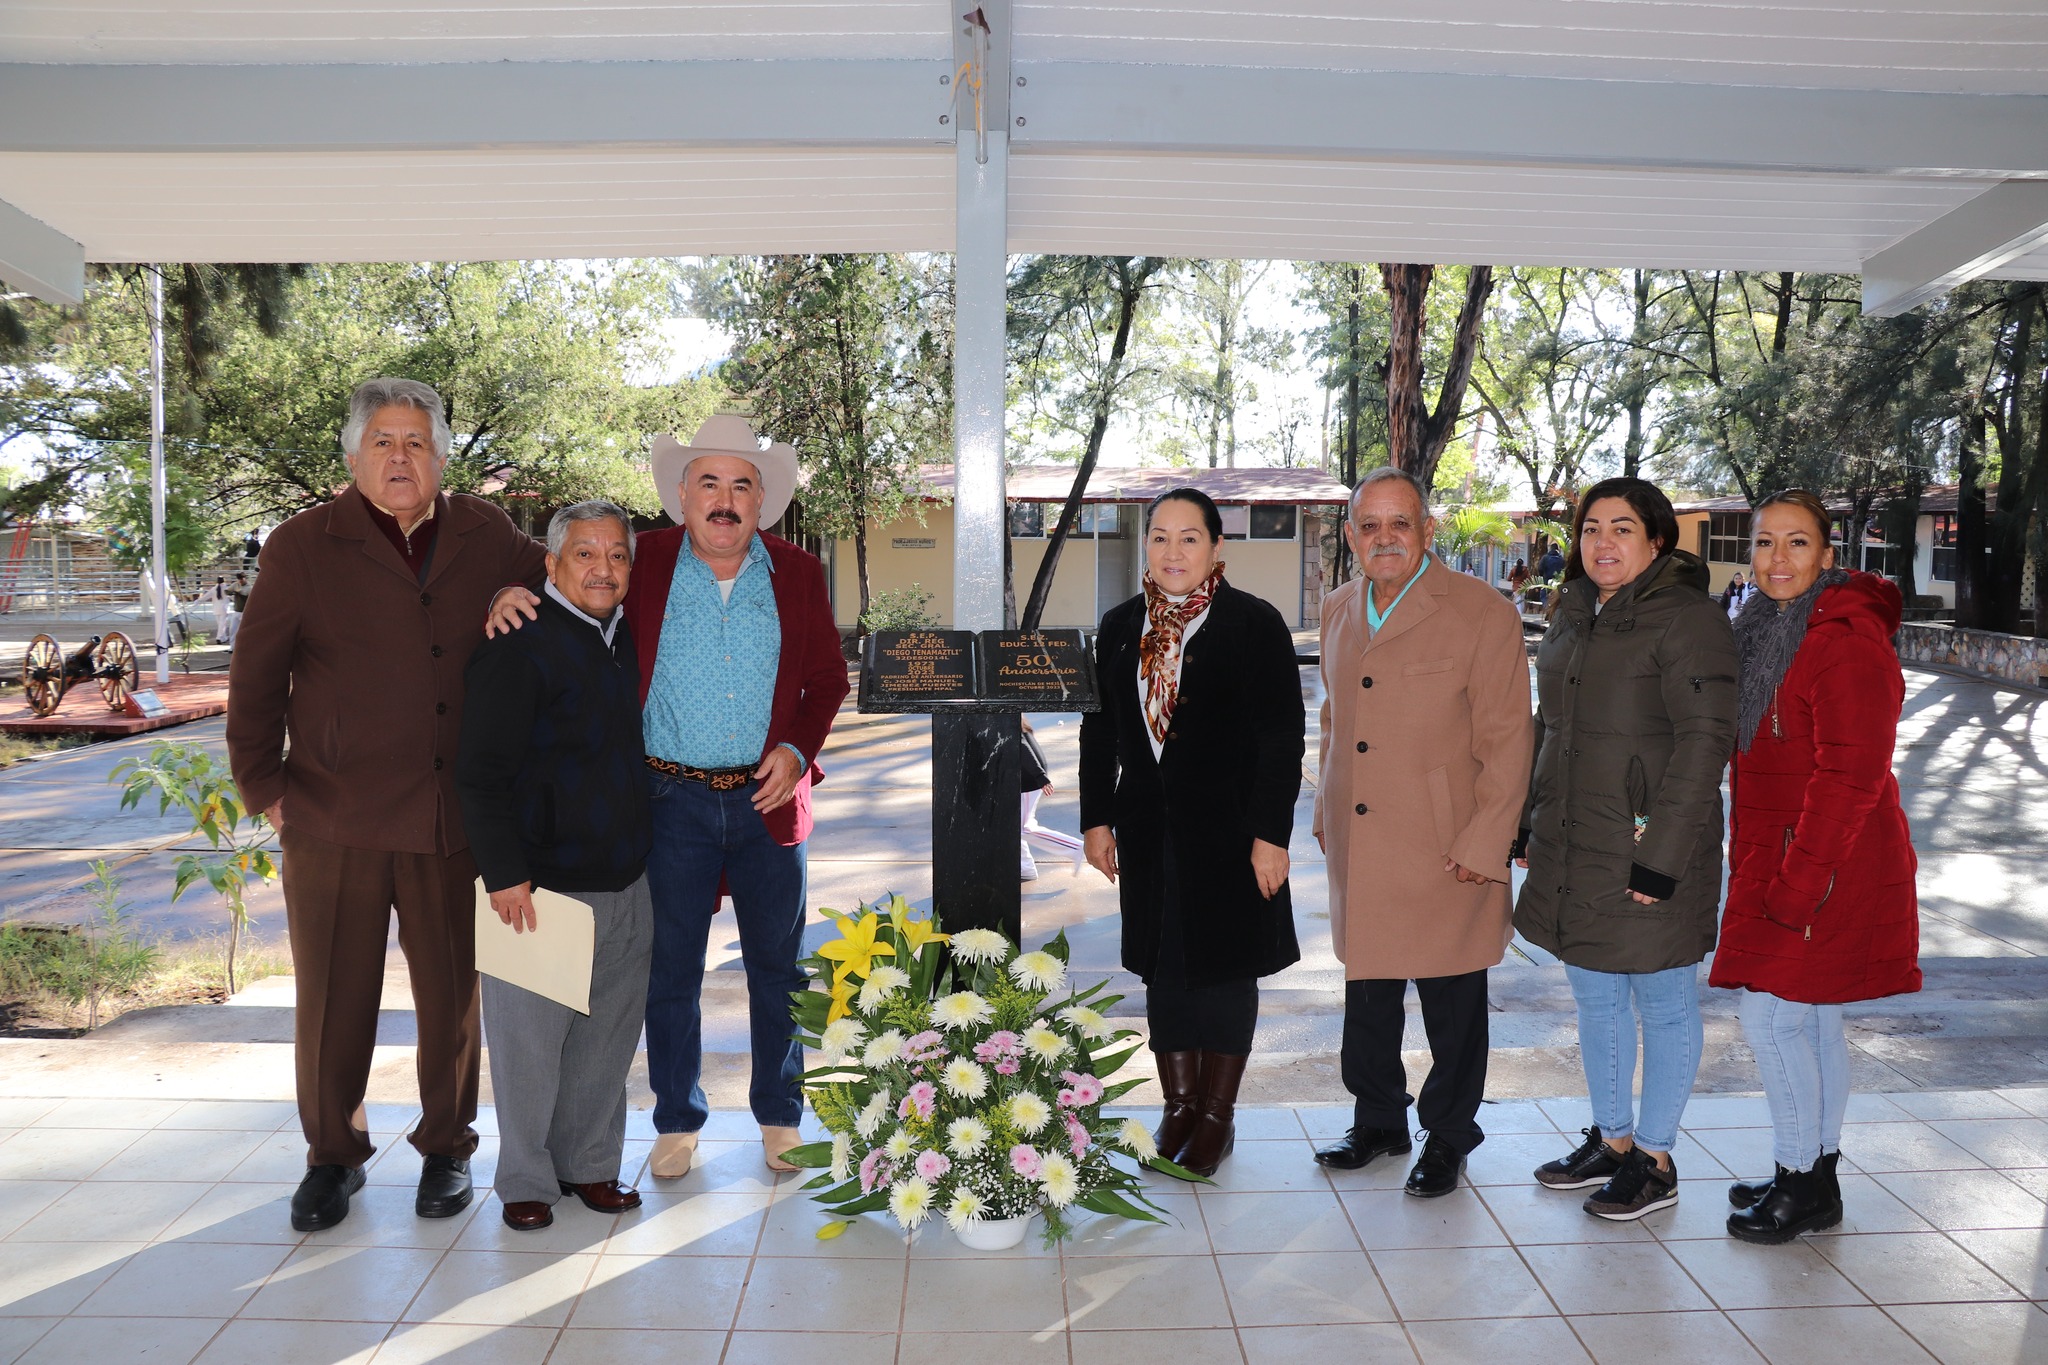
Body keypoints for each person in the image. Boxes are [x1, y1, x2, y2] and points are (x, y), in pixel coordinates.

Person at [228, 376, 546, 1233]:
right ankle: (334, 1154)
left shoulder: (489, 533)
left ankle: (446, 1146)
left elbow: (561, 586)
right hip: (333, 816)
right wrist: (266, 790)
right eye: (383, 442)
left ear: (442, 456)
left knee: (452, 995)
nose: (400, 457)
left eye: (415, 442)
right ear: (353, 455)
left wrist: (519, 596)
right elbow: (255, 677)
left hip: (452, 818)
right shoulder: (301, 546)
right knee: (335, 997)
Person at [494, 415, 848, 1179]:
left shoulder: (799, 571)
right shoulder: (643, 560)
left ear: (762, 500)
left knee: (777, 968)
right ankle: (678, 1116)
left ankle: (781, 1114)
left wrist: (796, 748)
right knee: (672, 968)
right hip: (668, 800)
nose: (725, 499)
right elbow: (570, 569)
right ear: (681, 494)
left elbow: (827, 680)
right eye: (709, 482)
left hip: (768, 802)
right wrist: (505, 593)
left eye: (741, 485)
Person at [1514, 476, 1737, 1221]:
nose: (1601, 543)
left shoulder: (1688, 620)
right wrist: (1525, 821)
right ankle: (1612, 1141)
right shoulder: (1576, 613)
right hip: (1578, 839)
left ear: (1658, 541)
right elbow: (1550, 728)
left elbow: (1706, 745)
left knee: (1664, 1001)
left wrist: (1661, 859)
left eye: (1620, 529)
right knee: (1596, 995)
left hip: (1648, 843)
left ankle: (1657, 1157)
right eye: (1590, 529)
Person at [1309, 469, 1534, 1197]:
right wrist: (1323, 807)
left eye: (1399, 523)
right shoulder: (1339, 607)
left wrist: (1485, 841)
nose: (1384, 538)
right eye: (1368, 526)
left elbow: (1509, 740)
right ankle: (1378, 1119)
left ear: (1426, 531)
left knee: (1451, 1001)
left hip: (1446, 844)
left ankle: (1448, 1133)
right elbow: (1335, 719)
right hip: (1362, 839)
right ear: (1351, 536)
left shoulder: (1480, 611)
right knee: (1368, 995)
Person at [1710, 490, 1919, 1243]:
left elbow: (1851, 776)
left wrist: (1801, 880)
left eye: (1797, 544)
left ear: (1828, 556)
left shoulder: (1845, 638)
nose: (1777, 559)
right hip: (1791, 851)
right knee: (1816, 1018)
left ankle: (1799, 1178)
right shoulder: (1766, 628)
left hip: (1831, 860)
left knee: (1769, 1018)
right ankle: (1818, 1174)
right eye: (1765, 543)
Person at [1079, 487, 1304, 1177]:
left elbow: (1281, 737)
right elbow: (1102, 729)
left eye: (1188, 537)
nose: (1172, 551)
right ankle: (1178, 1104)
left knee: (1226, 971)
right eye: (1159, 537)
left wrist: (1271, 834)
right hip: (1149, 833)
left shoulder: (1253, 624)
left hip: (1232, 835)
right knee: (1164, 967)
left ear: (1216, 548)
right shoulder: (1121, 626)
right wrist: (1096, 817)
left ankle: (1216, 1114)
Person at [457, 501, 653, 1232]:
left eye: (617, 556)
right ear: (550, 564)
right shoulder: (519, 640)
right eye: (584, 554)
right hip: (539, 886)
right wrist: (504, 872)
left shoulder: (621, 634)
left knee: (605, 1043)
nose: (603, 568)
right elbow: (479, 773)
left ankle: (591, 1164)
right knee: (529, 1049)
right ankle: (525, 1179)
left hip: (627, 878)